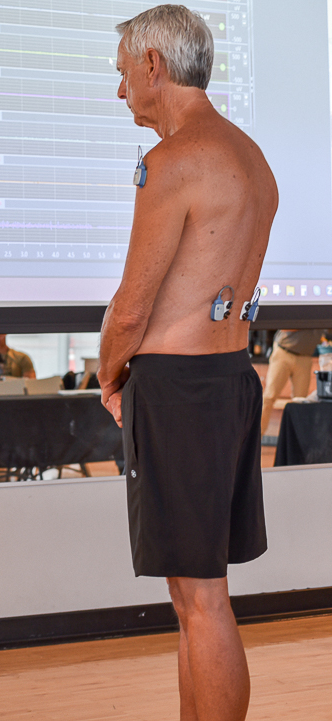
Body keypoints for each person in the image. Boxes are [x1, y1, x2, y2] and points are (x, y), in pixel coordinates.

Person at [97, 7, 277, 721]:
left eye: (121, 76)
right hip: (229, 380)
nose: (121, 95)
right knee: (194, 595)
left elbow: (133, 306)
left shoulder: (170, 162)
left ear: (153, 66)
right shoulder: (251, 157)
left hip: (178, 390)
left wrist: (108, 372)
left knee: (201, 597)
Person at [260, 329, 326, 436]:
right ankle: (257, 438)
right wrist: (307, 323)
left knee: (300, 402)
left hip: (305, 357)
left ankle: (296, 442)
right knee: (269, 397)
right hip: (284, 353)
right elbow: (284, 328)